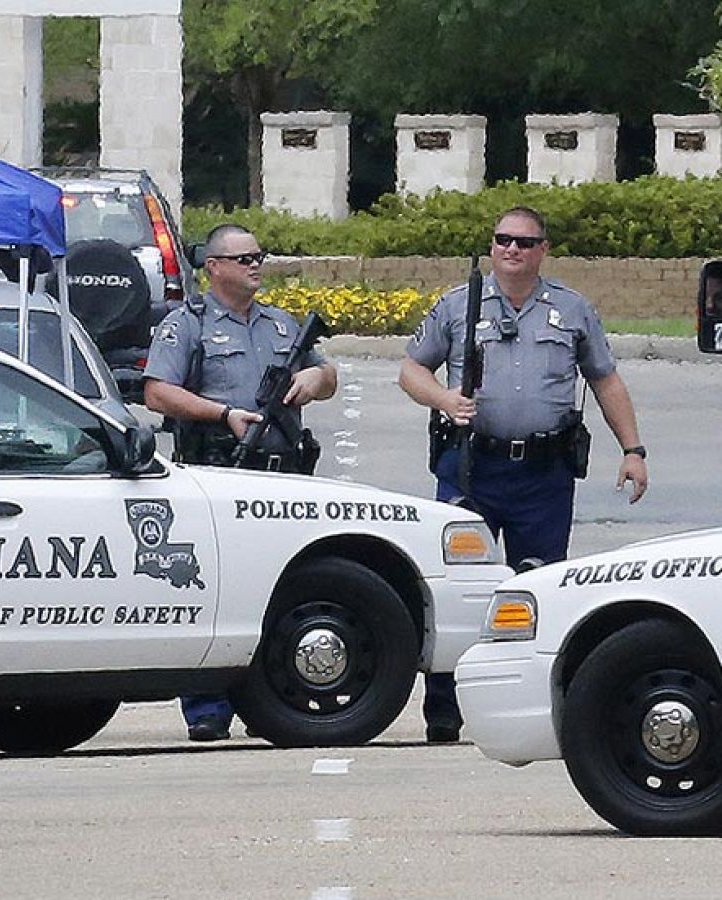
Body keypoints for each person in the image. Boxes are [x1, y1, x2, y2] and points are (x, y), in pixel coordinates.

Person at [399, 206, 649, 743]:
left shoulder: (572, 310)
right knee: (460, 591)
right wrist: (444, 398)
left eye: (523, 242)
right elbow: (410, 368)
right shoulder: (457, 306)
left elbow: (606, 380)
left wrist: (633, 449)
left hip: (542, 473)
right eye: (502, 240)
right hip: (472, 466)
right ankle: (445, 709)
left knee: (540, 587)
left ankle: (537, 705)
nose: (511, 250)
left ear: (543, 250)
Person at [143, 223, 338, 742]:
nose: (255, 265)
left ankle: (269, 699)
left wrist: (313, 380)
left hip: (282, 479)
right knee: (217, 592)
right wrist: (222, 413)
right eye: (244, 258)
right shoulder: (189, 324)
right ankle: (207, 707)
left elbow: (328, 376)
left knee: (279, 592)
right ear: (214, 267)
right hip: (220, 473)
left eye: (259, 256)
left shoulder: (281, 325)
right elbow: (157, 393)